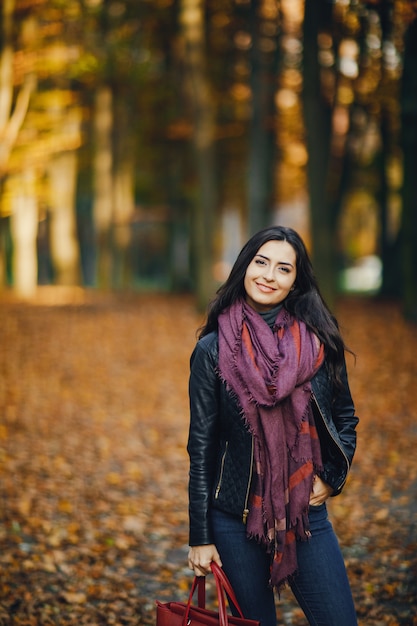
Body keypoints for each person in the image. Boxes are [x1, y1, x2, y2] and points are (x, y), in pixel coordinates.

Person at [187, 226, 359, 626]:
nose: (268, 275)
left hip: (304, 513)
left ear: (296, 281)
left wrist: (333, 477)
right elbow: (201, 449)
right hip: (234, 518)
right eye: (261, 262)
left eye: (284, 268)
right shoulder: (211, 350)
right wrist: (200, 535)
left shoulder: (318, 343)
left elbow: (345, 416)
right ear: (244, 265)